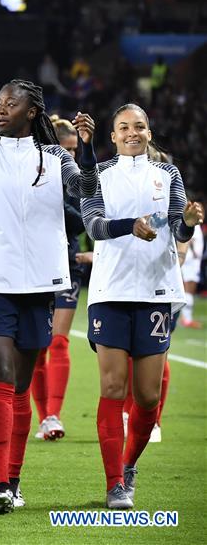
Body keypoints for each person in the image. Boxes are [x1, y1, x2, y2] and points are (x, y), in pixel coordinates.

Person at [0, 80, 98, 513]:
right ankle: (0, 483)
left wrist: (87, 148)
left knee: (20, 385)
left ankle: (14, 479)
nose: (1, 109)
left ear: (32, 111)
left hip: (40, 284)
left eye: (11, 103)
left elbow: (87, 191)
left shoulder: (55, 157)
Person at [81, 103, 202, 509]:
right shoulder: (98, 174)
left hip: (155, 291)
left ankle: (129, 464)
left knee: (148, 397)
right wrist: (129, 226)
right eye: (123, 127)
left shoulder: (168, 174)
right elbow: (94, 225)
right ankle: (114, 483)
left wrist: (189, 222)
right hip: (111, 292)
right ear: (113, 136)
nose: (132, 133)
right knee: (113, 388)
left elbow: (178, 227)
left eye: (139, 126)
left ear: (149, 133)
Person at [30, 116, 83, 441]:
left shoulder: (77, 180)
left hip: (68, 264)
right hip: (35, 267)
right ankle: (42, 418)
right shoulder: (33, 175)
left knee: (59, 341)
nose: (72, 156)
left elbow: (82, 222)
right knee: (37, 348)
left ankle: (54, 416)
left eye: (75, 150)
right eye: (67, 149)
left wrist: (55, 201)